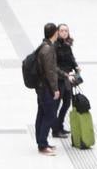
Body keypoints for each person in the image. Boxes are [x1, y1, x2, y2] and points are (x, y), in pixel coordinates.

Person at [32, 22, 61, 155]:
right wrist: (55, 89)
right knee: (50, 115)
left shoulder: (43, 46)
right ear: (54, 33)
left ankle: (41, 141)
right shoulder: (48, 49)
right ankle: (42, 145)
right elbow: (50, 72)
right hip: (46, 88)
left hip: (41, 87)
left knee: (42, 114)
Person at [51, 24, 80, 138]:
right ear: (57, 32)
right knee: (56, 105)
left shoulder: (67, 45)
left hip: (68, 78)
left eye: (66, 31)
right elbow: (53, 65)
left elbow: (71, 58)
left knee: (67, 103)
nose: (64, 33)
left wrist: (76, 66)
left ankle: (60, 126)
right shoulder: (55, 46)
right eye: (62, 30)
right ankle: (55, 129)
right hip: (59, 79)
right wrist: (65, 74)